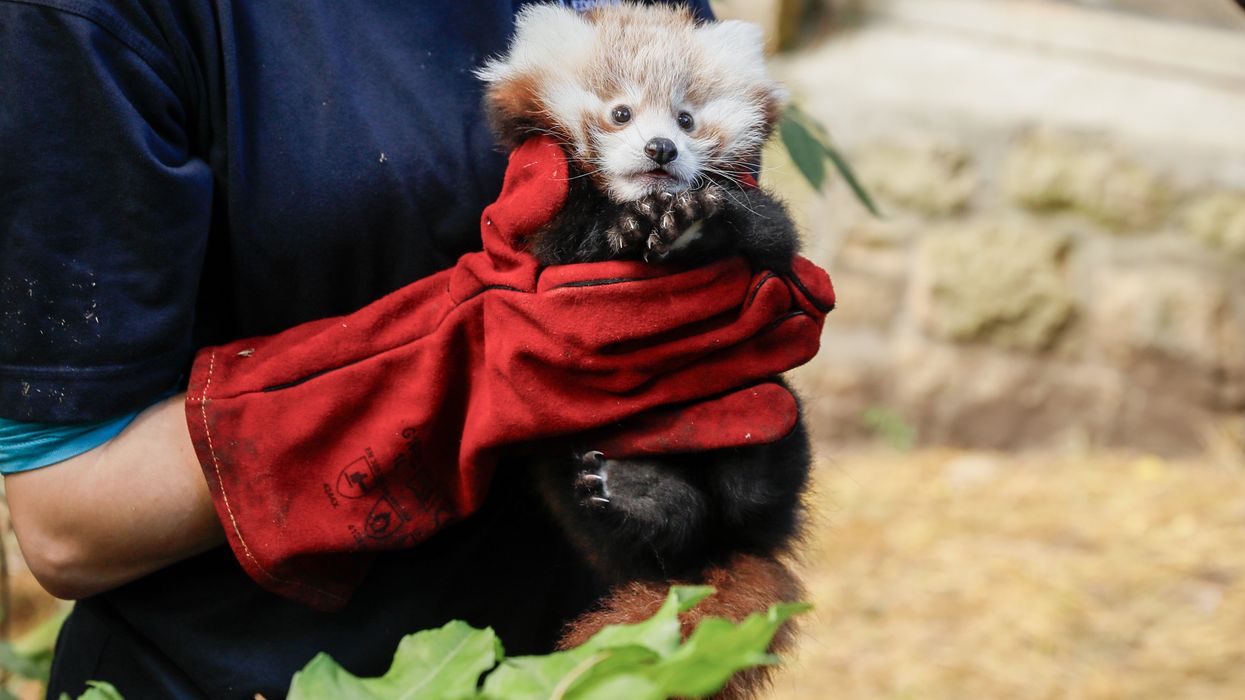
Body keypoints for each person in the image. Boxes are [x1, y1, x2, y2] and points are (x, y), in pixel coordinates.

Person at [0, 1, 827, 697]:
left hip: (598, 656)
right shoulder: (98, 22)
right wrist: (464, 367)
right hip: (248, 673)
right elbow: (67, 526)